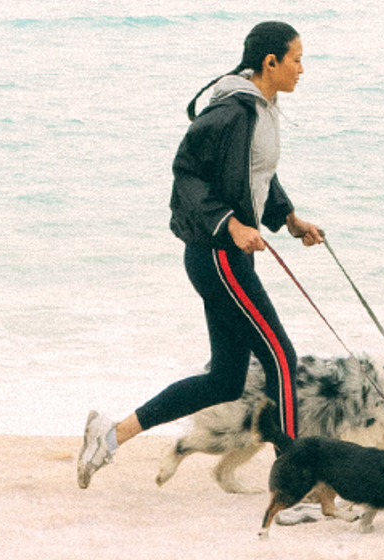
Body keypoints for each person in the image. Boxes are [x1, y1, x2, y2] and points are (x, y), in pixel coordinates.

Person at [78, 21, 324, 489]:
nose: (301, 68)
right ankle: (296, 486)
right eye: (295, 58)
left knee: (226, 381)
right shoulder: (232, 111)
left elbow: (257, 175)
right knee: (279, 357)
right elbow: (187, 173)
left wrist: (289, 218)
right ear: (269, 63)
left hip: (227, 257)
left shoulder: (263, 109)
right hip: (216, 255)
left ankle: (108, 436)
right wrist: (230, 224)